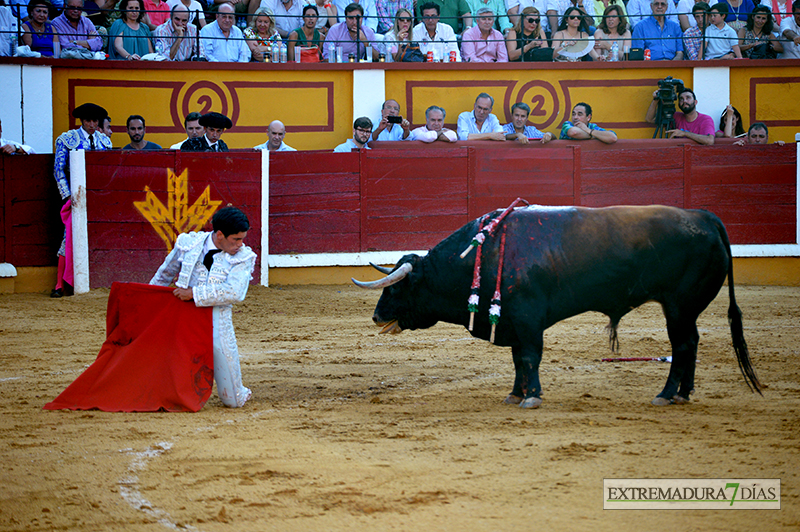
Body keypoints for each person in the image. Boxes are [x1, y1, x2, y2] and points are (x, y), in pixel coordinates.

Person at [149, 206, 257, 409]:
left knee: (233, 400)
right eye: (235, 239)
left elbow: (234, 292)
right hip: (183, 319)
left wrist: (194, 294)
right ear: (219, 235)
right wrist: (149, 303)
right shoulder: (188, 244)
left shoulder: (243, 257)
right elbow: (164, 275)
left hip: (218, 321)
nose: (240, 245)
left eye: (242, 239)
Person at [52, 103, 112, 298]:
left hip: (99, 200)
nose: (92, 124)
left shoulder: (105, 141)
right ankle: (59, 285)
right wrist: (69, 197)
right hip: (76, 198)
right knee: (67, 239)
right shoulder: (67, 139)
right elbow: (58, 170)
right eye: (88, 120)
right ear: (81, 121)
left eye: (95, 121)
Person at [645, 87, 715, 144]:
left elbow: (709, 141)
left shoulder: (705, 119)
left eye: (688, 98)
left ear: (695, 102)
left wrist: (684, 133)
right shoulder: (676, 117)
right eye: (681, 99)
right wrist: (655, 100)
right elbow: (650, 119)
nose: (684, 101)